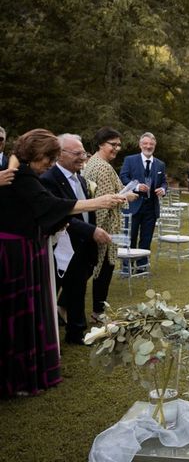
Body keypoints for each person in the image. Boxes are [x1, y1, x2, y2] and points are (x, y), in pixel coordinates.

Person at [0, 129, 124, 397]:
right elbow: (50, 205)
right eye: (49, 156)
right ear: (36, 153)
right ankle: (15, 378)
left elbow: (49, 211)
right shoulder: (20, 175)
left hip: (27, 248)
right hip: (13, 253)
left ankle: (27, 373)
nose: (49, 163)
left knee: (31, 310)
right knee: (16, 312)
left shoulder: (26, 174)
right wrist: (96, 202)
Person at [40, 134, 112, 344]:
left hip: (82, 246)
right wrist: (90, 231)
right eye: (77, 153)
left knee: (78, 288)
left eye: (83, 153)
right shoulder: (49, 179)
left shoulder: (80, 178)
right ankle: (47, 335)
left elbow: (85, 209)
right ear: (60, 154)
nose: (82, 157)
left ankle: (76, 332)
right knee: (54, 291)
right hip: (62, 245)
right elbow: (59, 214)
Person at [84, 127, 136, 320]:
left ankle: (63, 306)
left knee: (88, 270)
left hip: (94, 226)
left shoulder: (94, 162)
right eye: (113, 144)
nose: (117, 148)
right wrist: (96, 231)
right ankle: (98, 312)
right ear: (100, 144)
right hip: (103, 228)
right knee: (102, 270)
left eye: (119, 145)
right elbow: (104, 204)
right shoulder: (104, 168)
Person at [119, 132, 167, 270]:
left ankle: (142, 266)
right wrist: (137, 186)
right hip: (133, 205)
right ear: (140, 145)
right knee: (130, 237)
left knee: (146, 239)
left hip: (151, 207)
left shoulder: (160, 164)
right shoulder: (130, 160)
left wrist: (163, 190)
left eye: (151, 144)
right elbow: (123, 177)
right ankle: (127, 267)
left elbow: (164, 182)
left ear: (155, 146)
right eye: (145, 143)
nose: (148, 146)